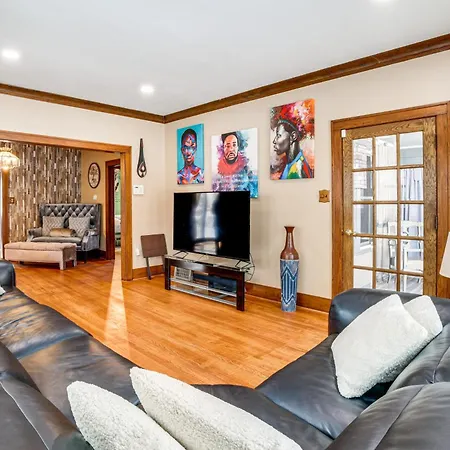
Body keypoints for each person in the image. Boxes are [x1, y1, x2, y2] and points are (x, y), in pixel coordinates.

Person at [213, 132, 258, 198]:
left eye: (234, 145)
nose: (231, 149)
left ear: (238, 147)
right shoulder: (218, 175)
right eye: (228, 146)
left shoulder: (247, 171)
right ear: (223, 148)